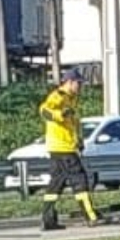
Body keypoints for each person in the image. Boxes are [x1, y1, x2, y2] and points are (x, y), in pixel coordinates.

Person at [38, 69, 102, 230]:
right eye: (78, 83)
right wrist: (60, 114)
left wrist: (78, 140)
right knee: (80, 180)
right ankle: (90, 216)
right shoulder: (58, 96)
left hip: (61, 147)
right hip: (63, 148)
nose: (80, 87)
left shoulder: (71, 99)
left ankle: (48, 219)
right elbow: (44, 111)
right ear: (70, 82)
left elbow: (72, 124)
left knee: (55, 185)